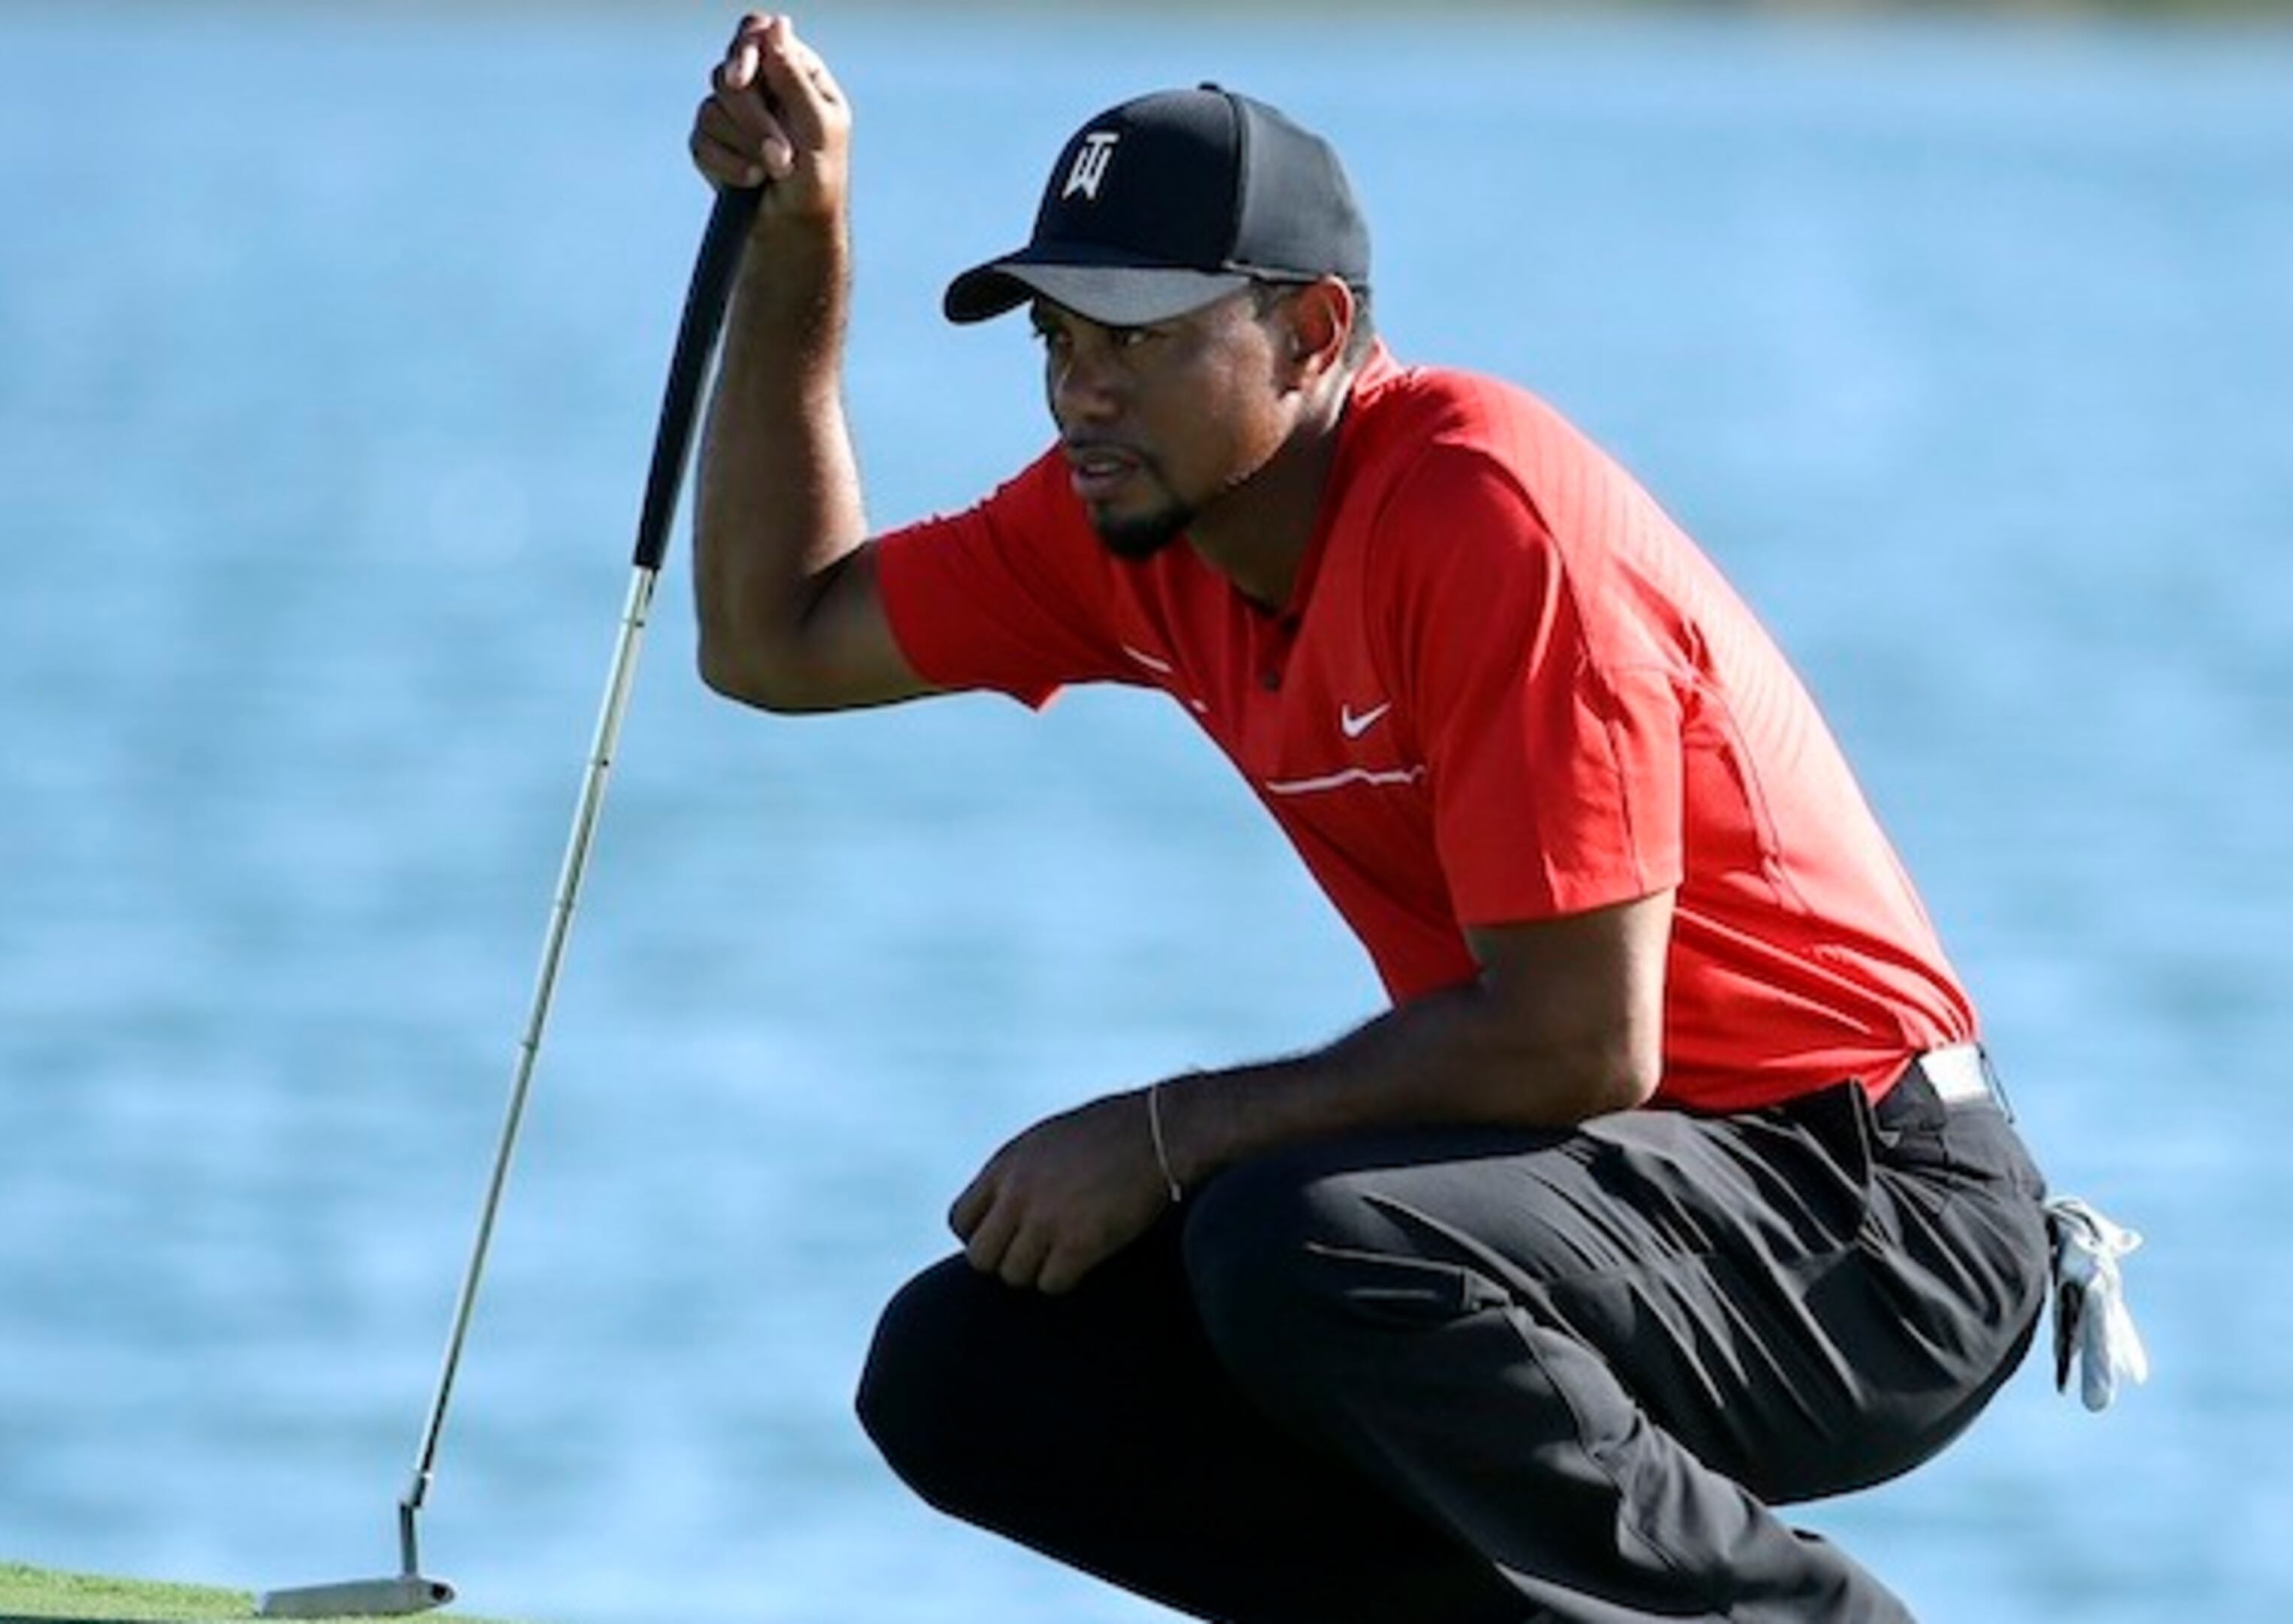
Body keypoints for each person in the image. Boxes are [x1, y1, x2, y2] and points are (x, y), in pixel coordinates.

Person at [685, 15, 2083, 1622]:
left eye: (1137, 338)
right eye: (1058, 338)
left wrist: (1161, 1135)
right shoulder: (1129, 523)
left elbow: (1576, 1044)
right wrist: (802, 242)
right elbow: (775, 639)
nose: (1080, 390)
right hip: (1625, 1190)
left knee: (1300, 1242)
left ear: (1312, 331)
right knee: (968, 1367)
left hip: (1878, 1221)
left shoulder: (1484, 513)